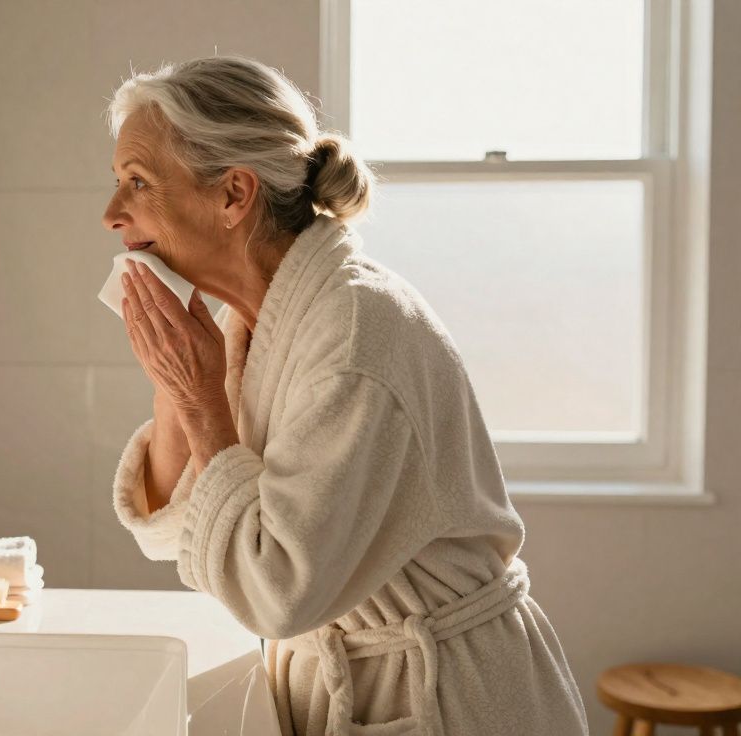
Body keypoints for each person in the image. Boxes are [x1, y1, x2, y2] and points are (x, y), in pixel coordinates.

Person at [105, 57, 587, 735]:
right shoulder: (252, 321)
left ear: (234, 195)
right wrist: (176, 382)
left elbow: (277, 590)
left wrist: (201, 399)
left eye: (137, 182)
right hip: (343, 675)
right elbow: (175, 531)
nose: (111, 215)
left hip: (448, 698)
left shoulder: (355, 334)